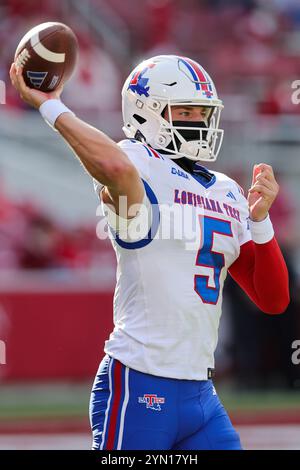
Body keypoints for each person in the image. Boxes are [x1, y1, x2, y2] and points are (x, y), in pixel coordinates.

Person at [10, 55, 289, 450]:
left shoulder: (226, 190)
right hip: (139, 381)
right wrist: (50, 104)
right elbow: (116, 169)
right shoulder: (139, 162)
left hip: (200, 393)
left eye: (203, 112)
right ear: (146, 113)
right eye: (186, 110)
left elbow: (274, 300)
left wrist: (261, 222)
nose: (200, 121)